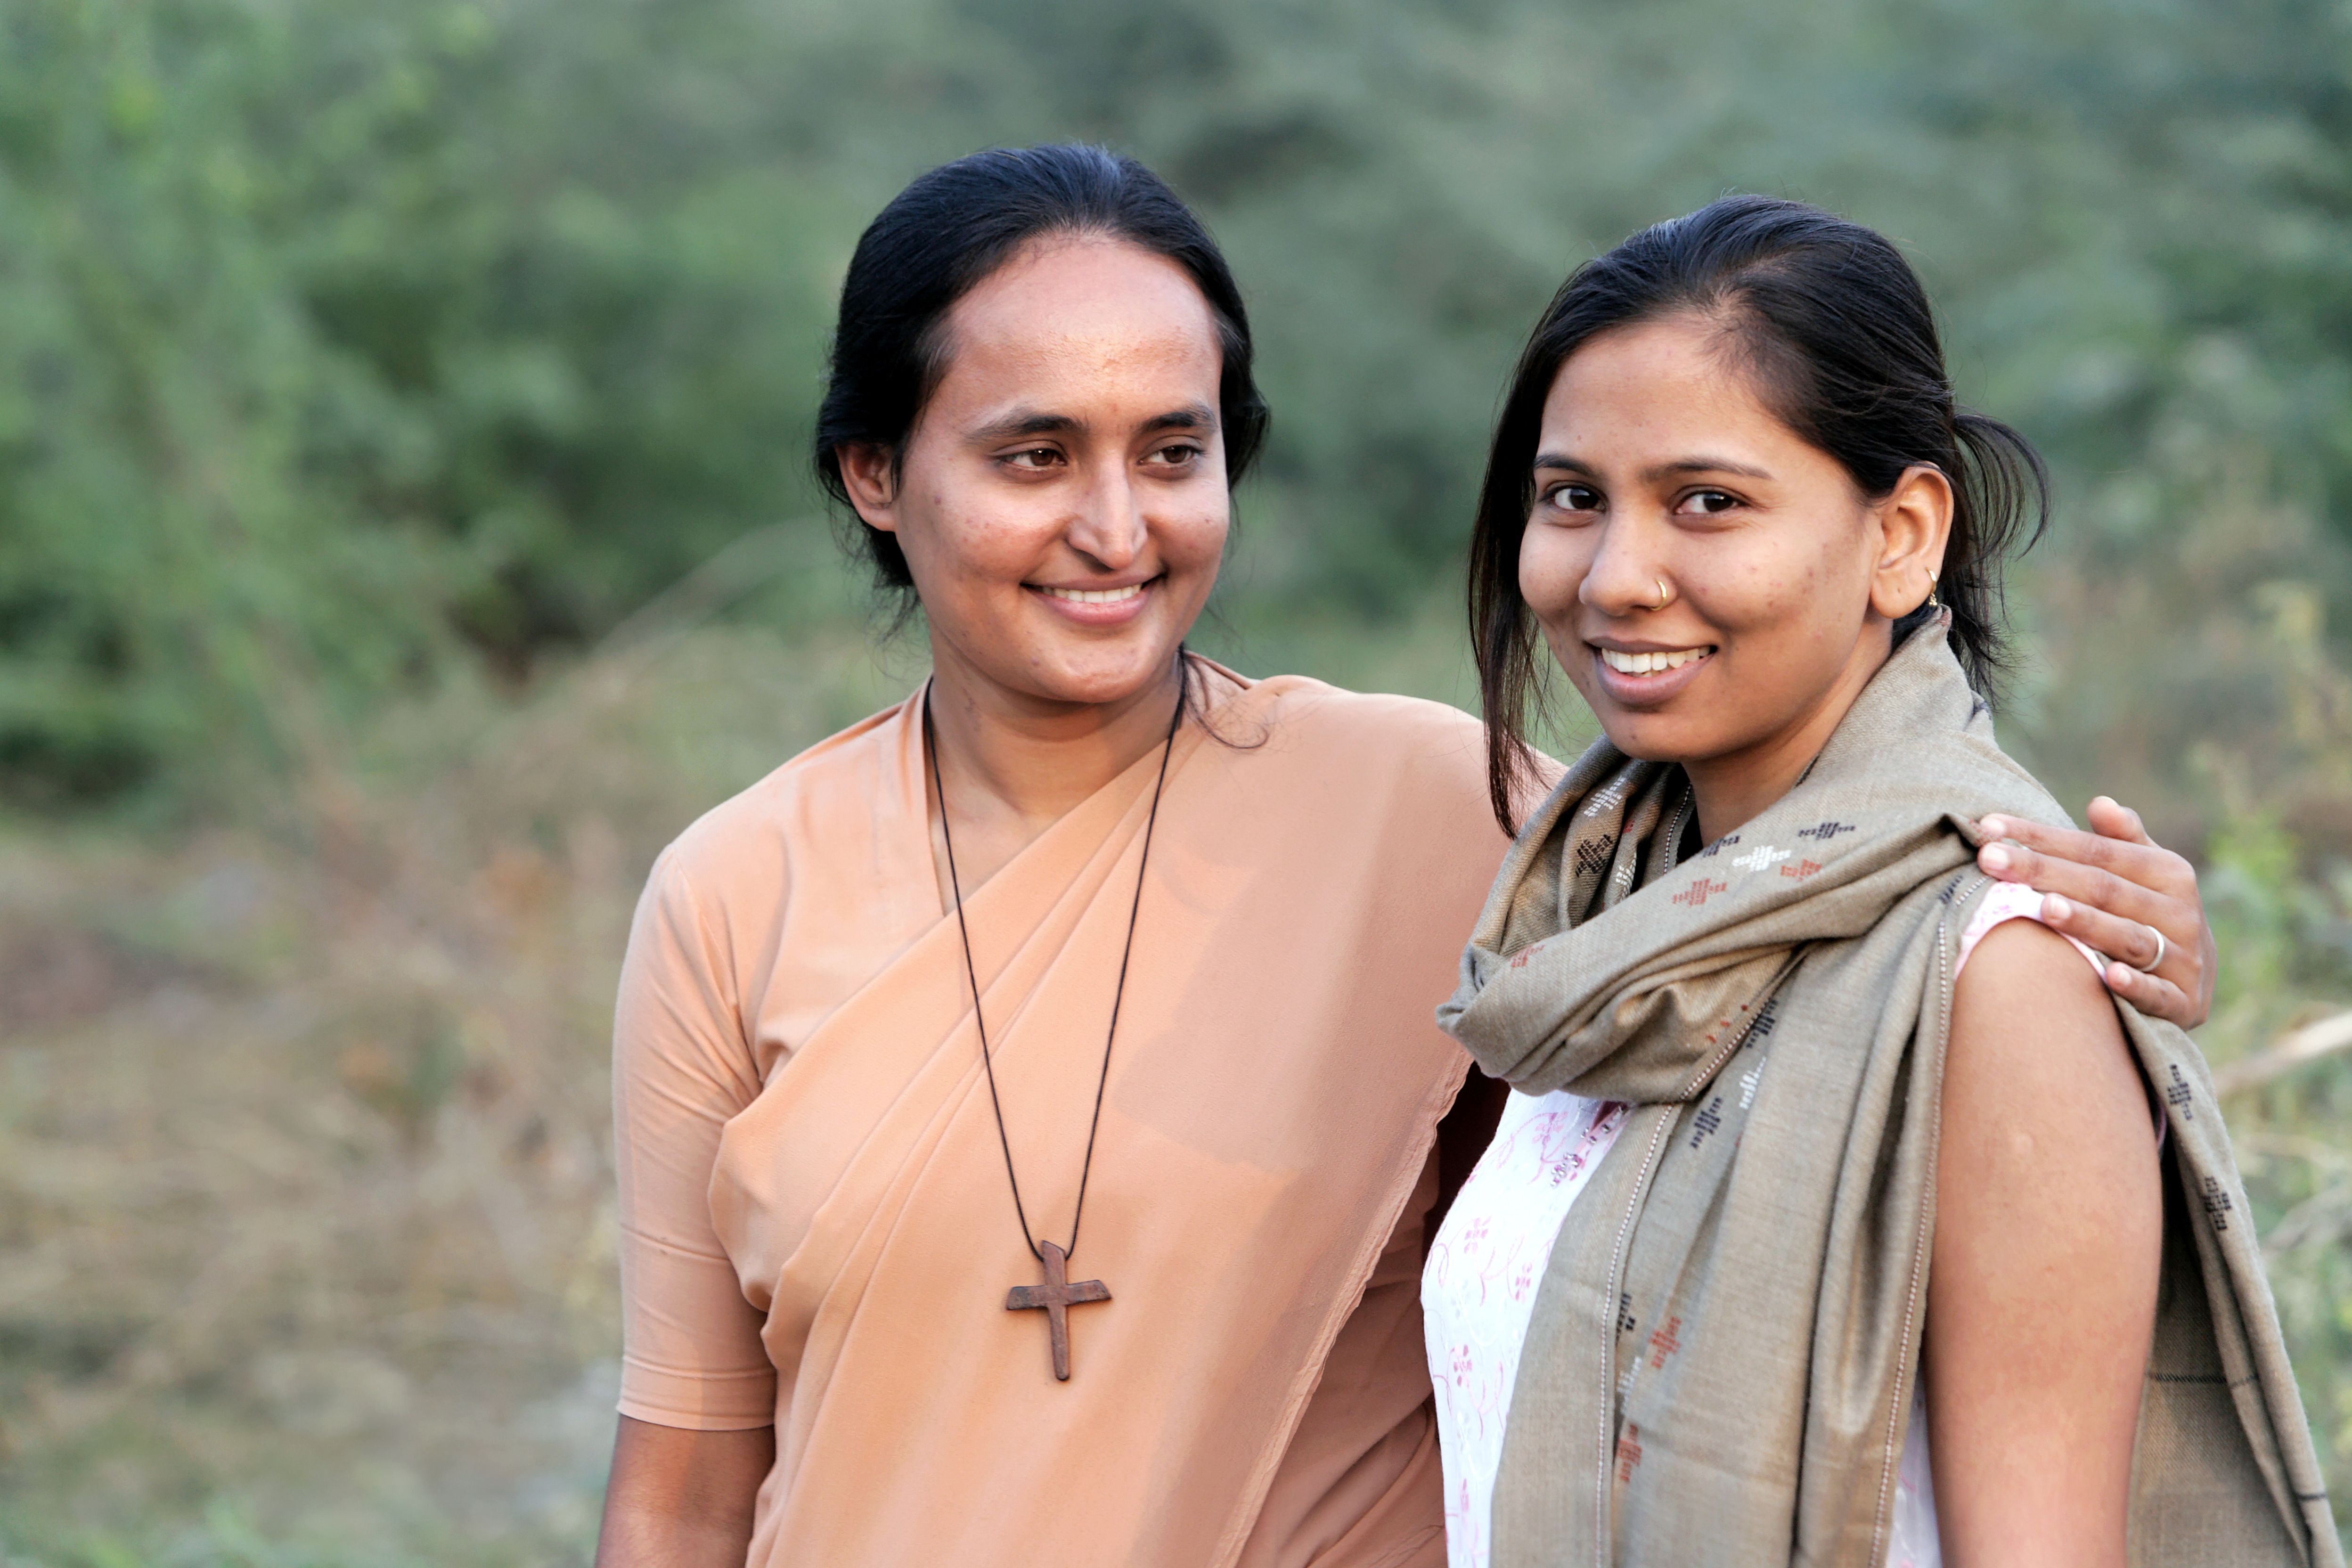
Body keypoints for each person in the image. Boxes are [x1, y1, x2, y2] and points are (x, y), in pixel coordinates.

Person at [593, 150, 2223, 1568]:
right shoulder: (737, 894)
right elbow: (683, 1486)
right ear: (876, 471)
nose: (1116, 527)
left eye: (1173, 451)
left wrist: (2107, 958)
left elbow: (1833, 911)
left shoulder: (1457, 816)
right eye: (1034, 457)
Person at [1429, 196, 2336, 1568]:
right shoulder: (1586, 920)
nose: (1616, 577)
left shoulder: (2000, 972)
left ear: (1904, 533)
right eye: (1573, 500)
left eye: (1707, 503)